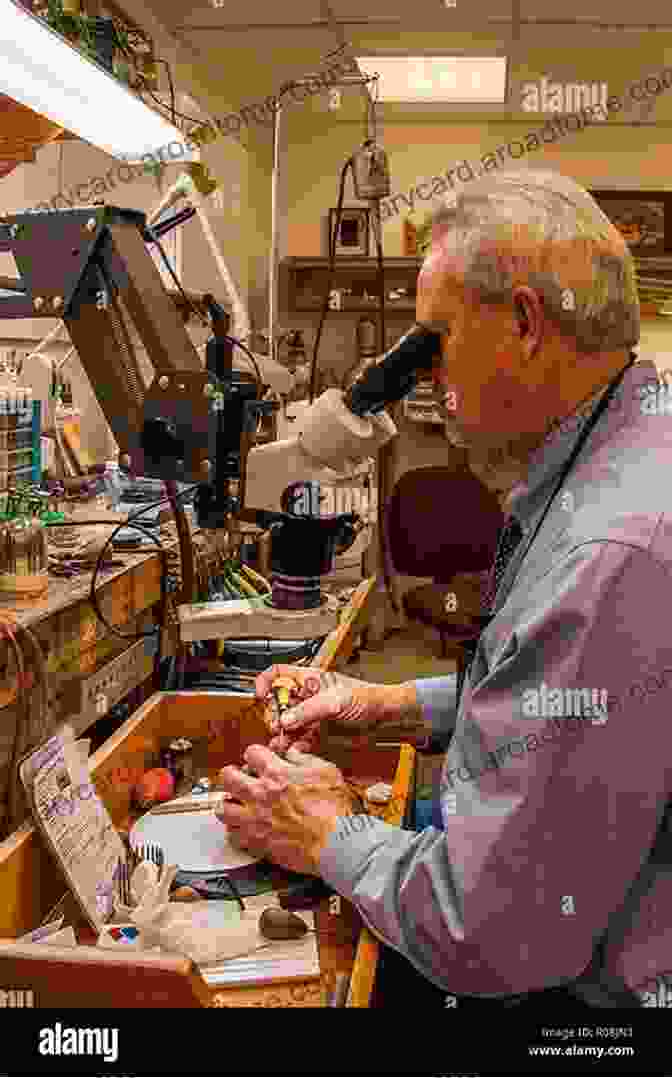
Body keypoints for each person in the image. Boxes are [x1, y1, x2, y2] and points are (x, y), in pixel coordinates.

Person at [216, 168, 672, 1008]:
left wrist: (329, 833)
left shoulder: (609, 552)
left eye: (435, 341)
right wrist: (383, 705)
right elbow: (571, 703)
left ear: (526, 323)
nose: (424, 377)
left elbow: (490, 933)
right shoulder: (621, 461)